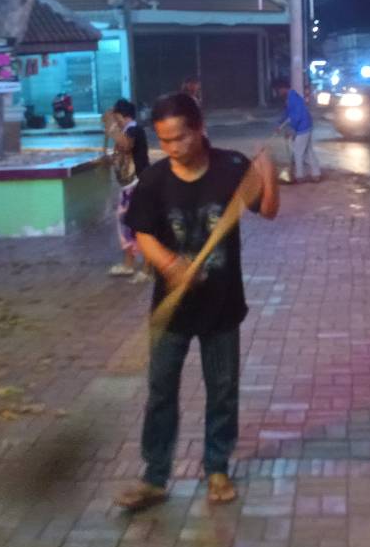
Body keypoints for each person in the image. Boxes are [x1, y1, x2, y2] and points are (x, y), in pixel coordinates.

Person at [117, 92, 279, 511]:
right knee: (161, 391)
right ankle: (154, 477)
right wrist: (170, 264)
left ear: (200, 128)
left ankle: (217, 468)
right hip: (170, 308)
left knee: (222, 390)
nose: (172, 147)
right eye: (164, 140)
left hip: (222, 304)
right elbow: (143, 233)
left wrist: (269, 175)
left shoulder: (231, 168)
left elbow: (268, 210)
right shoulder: (154, 181)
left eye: (180, 138)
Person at [104, 99, 150, 279]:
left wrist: (111, 126)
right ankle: (131, 264)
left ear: (122, 116)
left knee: (138, 226)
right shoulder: (129, 130)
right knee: (128, 225)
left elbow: (126, 145)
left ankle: (145, 267)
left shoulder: (133, 130)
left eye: (116, 117)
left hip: (136, 185)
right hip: (130, 186)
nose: (115, 121)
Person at [275, 79, 321, 183]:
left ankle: (299, 176)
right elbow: (287, 113)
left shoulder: (294, 98)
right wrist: (279, 124)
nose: (278, 92)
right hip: (305, 126)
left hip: (302, 127)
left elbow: (296, 116)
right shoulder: (291, 98)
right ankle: (316, 174)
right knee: (308, 152)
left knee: (298, 152)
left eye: (278, 90)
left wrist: (292, 130)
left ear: (283, 88)